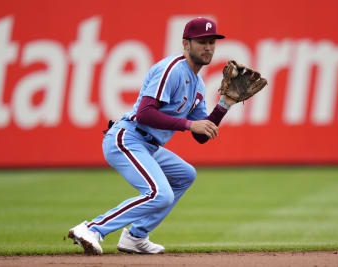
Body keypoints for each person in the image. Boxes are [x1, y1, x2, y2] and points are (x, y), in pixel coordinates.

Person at [68, 17, 238, 255]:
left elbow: (201, 134)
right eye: (201, 42)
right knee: (160, 194)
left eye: (211, 41)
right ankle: (92, 228)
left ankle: (136, 236)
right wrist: (189, 124)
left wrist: (224, 105)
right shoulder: (172, 70)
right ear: (186, 43)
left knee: (185, 174)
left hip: (149, 145)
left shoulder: (198, 85)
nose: (208, 47)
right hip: (128, 137)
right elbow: (145, 113)